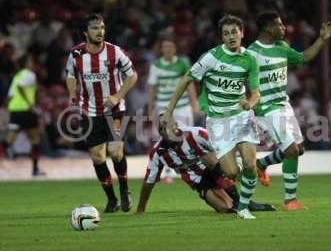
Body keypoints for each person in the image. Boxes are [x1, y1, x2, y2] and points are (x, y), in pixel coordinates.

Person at [161, 15, 261, 219]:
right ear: (221, 37)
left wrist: (249, 104)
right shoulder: (211, 57)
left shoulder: (250, 59)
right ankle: (247, 166)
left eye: (234, 32)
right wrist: (169, 110)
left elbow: (256, 92)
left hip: (241, 115)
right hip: (218, 120)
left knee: (250, 165)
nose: (231, 36)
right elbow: (187, 78)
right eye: (226, 33)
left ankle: (243, 207)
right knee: (231, 172)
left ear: (242, 33)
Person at [247, 10, 331, 210]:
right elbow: (243, 78)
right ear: (267, 28)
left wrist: (321, 40)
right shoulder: (252, 52)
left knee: (299, 150)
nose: (283, 27)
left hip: (283, 105)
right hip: (267, 108)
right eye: (279, 24)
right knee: (291, 150)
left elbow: (304, 57)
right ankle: (290, 201)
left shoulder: (282, 47)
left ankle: (262, 164)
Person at [65, 13, 137, 212]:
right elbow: (71, 75)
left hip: (114, 110)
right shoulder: (76, 54)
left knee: (115, 152)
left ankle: (124, 191)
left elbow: (132, 75)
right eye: (95, 28)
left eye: (102, 27)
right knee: (97, 157)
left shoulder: (115, 52)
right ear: (85, 32)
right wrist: (72, 92)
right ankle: (112, 199)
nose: (100, 32)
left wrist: (117, 95)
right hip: (89, 111)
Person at [136, 119, 276, 214]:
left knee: (205, 156)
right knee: (225, 209)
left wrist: (239, 161)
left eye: (168, 126)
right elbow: (149, 181)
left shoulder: (196, 133)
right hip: (198, 181)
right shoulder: (158, 152)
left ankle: (241, 200)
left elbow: (223, 148)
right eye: (162, 129)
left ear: (176, 126)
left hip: (214, 167)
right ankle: (239, 203)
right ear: (159, 132)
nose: (166, 131)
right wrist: (141, 209)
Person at [1, 53, 45, 176]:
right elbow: (21, 88)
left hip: (15, 111)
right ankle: (35, 170)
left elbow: (10, 96)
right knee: (35, 139)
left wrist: (7, 109)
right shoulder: (30, 75)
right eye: (30, 60)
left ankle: (35, 169)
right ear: (26, 63)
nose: (32, 63)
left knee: (9, 140)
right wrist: (30, 104)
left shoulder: (17, 76)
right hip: (26, 111)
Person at [148, 36, 199, 126]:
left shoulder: (183, 63)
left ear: (175, 48)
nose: (168, 49)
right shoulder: (155, 66)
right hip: (163, 108)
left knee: (186, 137)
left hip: (183, 107)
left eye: (170, 46)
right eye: (165, 47)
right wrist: (150, 110)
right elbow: (152, 89)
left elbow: (190, 85)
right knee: (166, 139)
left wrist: (194, 105)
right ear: (161, 49)